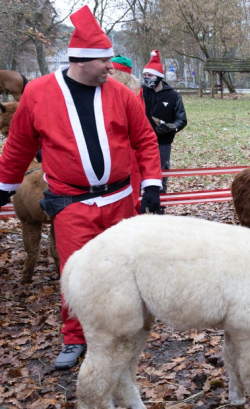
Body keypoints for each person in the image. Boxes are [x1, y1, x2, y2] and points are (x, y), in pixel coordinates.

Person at [0, 6, 163, 370]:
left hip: (120, 199)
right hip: (70, 204)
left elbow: (145, 140)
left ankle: (122, 330)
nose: (111, 66)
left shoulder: (120, 95)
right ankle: (75, 337)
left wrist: (151, 184)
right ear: (82, 60)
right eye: (105, 60)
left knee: (122, 268)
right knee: (75, 273)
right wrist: (4, 185)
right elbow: (19, 145)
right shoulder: (40, 94)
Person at [141, 50, 187, 196]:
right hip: (140, 142)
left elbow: (182, 119)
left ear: (159, 76)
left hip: (162, 143)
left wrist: (170, 127)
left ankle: (160, 206)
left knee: (161, 174)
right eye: (145, 76)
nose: (147, 78)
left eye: (150, 75)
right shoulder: (139, 93)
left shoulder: (173, 96)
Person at [110, 54, 143, 212]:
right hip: (116, 153)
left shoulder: (131, 98)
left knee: (129, 197)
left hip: (128, 154)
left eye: (112, 73)